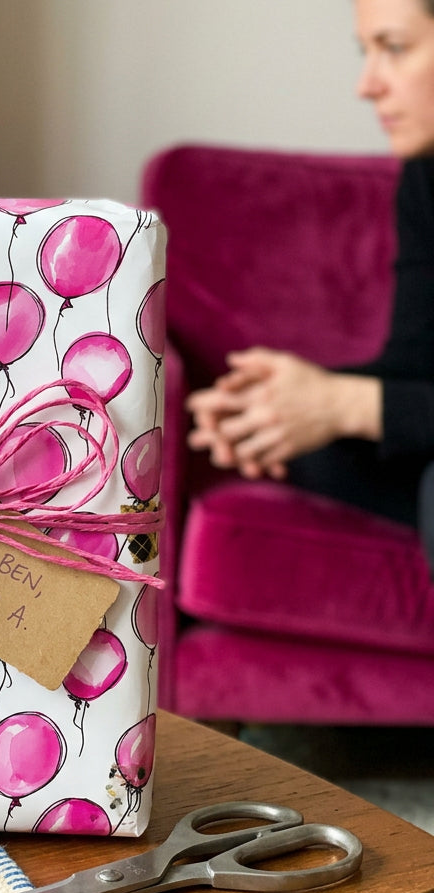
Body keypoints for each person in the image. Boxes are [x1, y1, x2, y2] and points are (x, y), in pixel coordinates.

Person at [186, 0, 434, 562]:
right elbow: (414, 367)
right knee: (316, 448)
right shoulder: (425, 175)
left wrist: (343, 403)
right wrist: (275, 408)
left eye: (395, 48)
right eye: (366, 52)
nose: (367, 85)